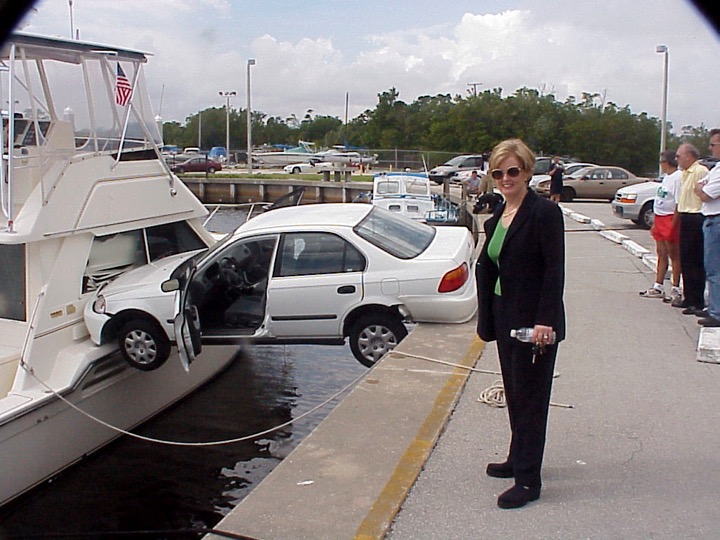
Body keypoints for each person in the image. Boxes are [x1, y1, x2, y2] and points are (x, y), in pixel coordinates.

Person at [476, 139, 566, 509]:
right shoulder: (499, 214)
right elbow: (492, 266)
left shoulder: (544, 213)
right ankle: (517, 458)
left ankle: (529, 480)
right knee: (514, 393)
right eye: (498, 172)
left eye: (513, 171)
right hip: (504, 314)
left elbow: (553, 270)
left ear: (527, 171)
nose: (505, 178)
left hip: (533, 321)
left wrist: (546, 320)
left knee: (531, 400)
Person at [639, 151, 682, 302]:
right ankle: (658, 286)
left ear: (667, 162)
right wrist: (656, 222)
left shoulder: (678, 178)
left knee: (674, 255)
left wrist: (673, 225)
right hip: (660, 218)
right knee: (661, 253)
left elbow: (678, 204)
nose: (660, 164)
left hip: (670, 219)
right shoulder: (666, 178)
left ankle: (676, 288)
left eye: (662, 161)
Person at [672, 144, 709, 314]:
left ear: (689, 156)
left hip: (696, 216)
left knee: (695, 260)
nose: (677, 160)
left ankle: (697, 300)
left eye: (679, 156)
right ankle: (688, 297)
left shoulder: (700, 171)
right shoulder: (684, 174)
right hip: (685, 216)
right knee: (685, 258)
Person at [694, 129, 720, 327]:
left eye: (713, 144)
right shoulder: (716, 168)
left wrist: (701, 189)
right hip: (710, 220)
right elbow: (700, 185)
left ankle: (716, 312)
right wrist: (701, 187)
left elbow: (704, 194)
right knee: (710, 267)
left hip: (716, 221)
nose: (710, 148)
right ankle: (713, 306)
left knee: (714, 269)